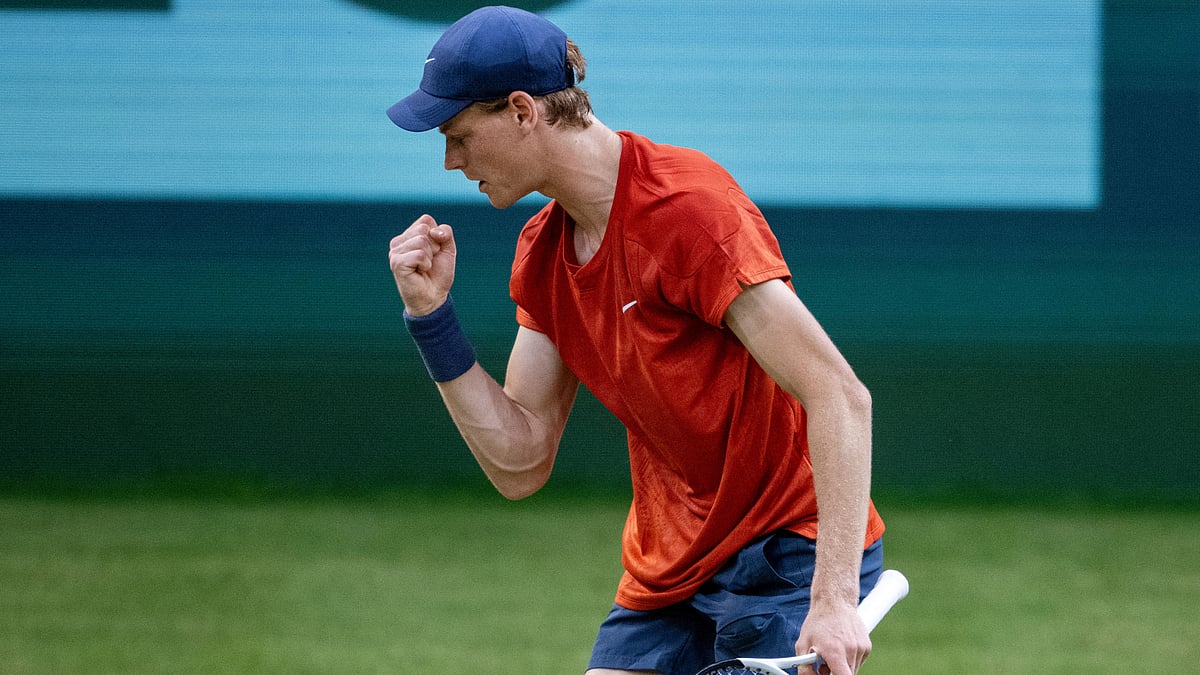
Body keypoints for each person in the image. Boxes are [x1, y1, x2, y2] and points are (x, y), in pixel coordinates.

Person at [385, 7, 886, 675]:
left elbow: (839, 394)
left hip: (789, 550)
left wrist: (833, 597)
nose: (450, 161)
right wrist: (432, 319)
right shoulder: (540, 256)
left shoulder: (689, 210)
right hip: (669, 572)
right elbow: (521, 460)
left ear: (523, 111)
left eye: (459, 135)